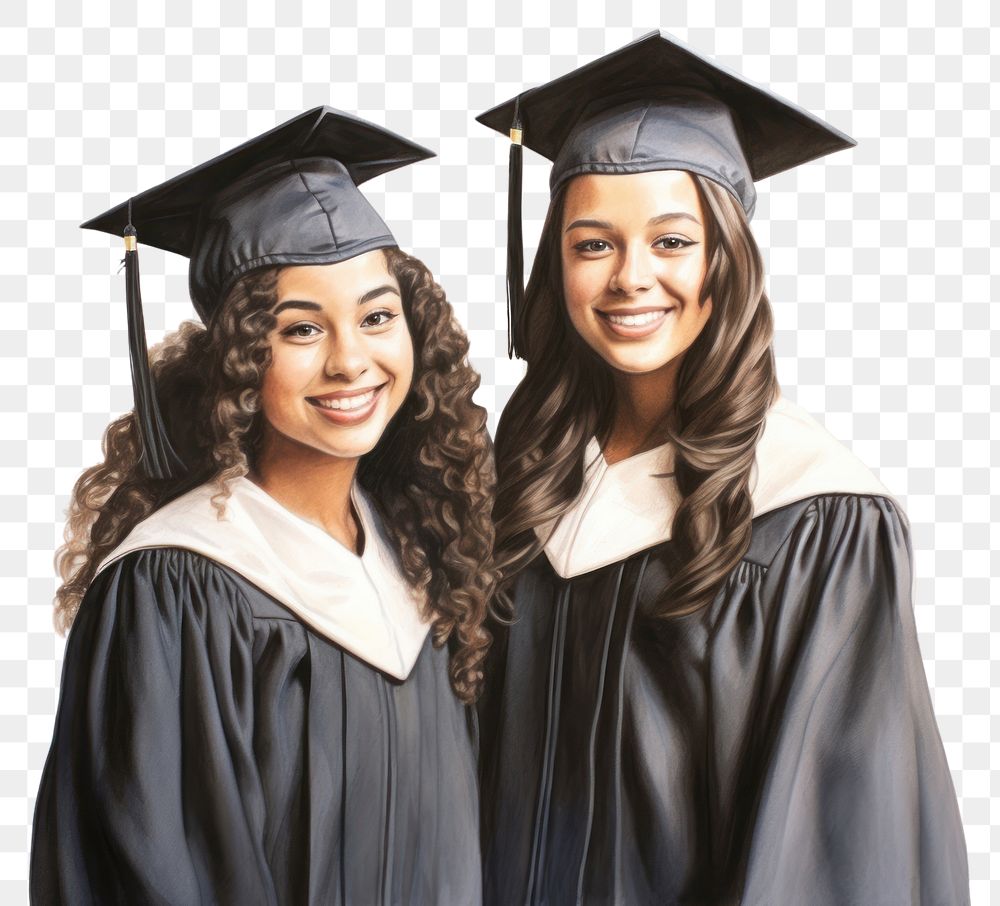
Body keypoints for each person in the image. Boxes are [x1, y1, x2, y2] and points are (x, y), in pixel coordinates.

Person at [476, 31, 969, 906]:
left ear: (723, 259)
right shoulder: (523, 485)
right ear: (557, 262)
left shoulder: (814, 517)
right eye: (594, 244)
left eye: (671, 241)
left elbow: (837, 843)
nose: (632, 278)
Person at [31, 107, 494, 905]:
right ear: (241, 357)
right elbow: (156, 872)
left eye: (377, 317)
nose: (352, 360)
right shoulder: (178, 587)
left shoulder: (420, 561)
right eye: (300, 329)